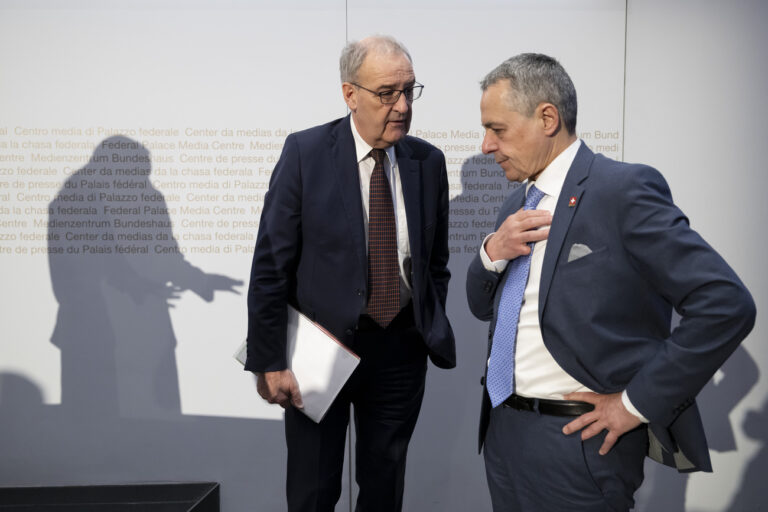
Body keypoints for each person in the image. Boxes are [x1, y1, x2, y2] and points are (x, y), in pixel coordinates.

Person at [466, 53, 755, 511]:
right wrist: (491, 253)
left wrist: (635, 404)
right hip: (504, 434)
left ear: (547, 118)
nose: (486, 145)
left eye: (496, 129)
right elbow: (481, 306)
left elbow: (725, 304)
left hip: (577, 442)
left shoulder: (622, 190)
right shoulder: (514, 206)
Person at [245, 35, 455, 512]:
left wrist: (425, 323)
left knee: (384, 491)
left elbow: (434, 264)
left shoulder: (428, 162)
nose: (402, 106)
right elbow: (271, 265)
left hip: (399, 351)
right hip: (319, 352)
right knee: (314, 491)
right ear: (350, 94)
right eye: (387, 93)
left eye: (409, 90)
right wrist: (269, 360)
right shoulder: (306, 153)